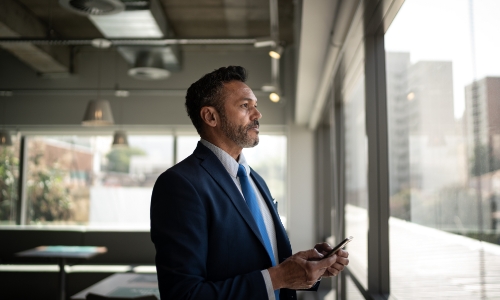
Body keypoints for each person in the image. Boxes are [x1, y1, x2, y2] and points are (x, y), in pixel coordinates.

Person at [150, 66, 349, 299]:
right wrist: (279, 277)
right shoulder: (180, 184)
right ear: (210, 116)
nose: (257, 114)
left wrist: (306, 267)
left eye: (255, 105)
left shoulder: (256, 180)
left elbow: (263, 262)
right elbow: (183, 294)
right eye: (245, 106)